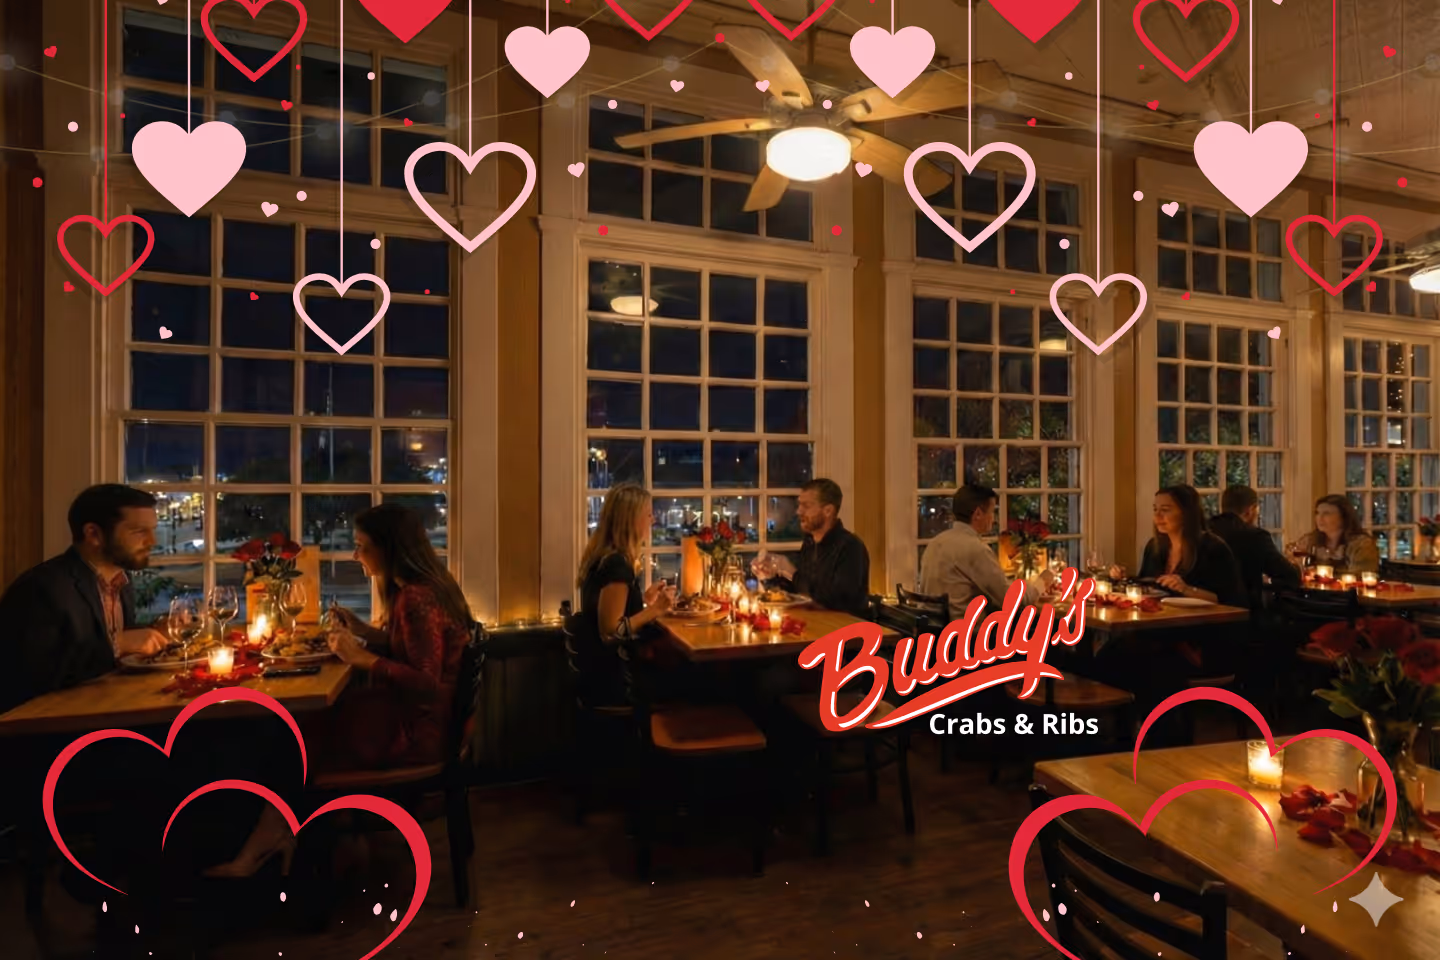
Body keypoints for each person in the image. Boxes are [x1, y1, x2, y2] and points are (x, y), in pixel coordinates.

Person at [206, 503, 473, 878]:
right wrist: (365, 632)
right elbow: (417, 651)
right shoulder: (426, 589)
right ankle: (293, 837)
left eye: (362, 546)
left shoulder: (417, 597)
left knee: (297, 739)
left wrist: (362, 658)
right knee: (303, 730)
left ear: (388, 548)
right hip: (423, 721)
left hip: (418, 733)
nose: (355, 554)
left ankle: (274, 845)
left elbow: (427, 684)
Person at [0, 484, 167, 714]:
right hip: (49, 728)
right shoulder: (41, 587)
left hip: (111, 709)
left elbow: (104, 650)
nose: (152, 541)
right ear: (93, 534)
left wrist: (155, 632)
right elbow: (30, 672)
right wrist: (118, 644)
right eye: (139, 532)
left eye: (152, 530)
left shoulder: (120, 580)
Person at [574, 483, 675, 708]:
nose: (653, 520)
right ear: (631, 520)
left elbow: (613, 613)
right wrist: (655, 610)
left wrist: (643, 600)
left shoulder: (602, 558)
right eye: (648, 514)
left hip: (602, 673)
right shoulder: (617, 565)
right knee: (697, 681)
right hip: (617, 681)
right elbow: (610, 633)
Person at [919, 484, 1055, 618]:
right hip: (970, 635)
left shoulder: (935, 542)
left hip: (935, 632)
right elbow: (1014, 601)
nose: (994, 519)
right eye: (992, 512)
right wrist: (1041, 583)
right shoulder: (975, 549)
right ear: (978, 514)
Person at [1109, 485, 1246, 607]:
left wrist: (1186, 589)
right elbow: (1147, 586)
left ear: (1186, 514)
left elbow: (1228, 600)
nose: (1157, 515)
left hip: (1199, 626)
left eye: (1165, 510)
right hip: (1159, 620)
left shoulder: (1213, 548)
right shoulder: (1154, 546)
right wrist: (1123, 579)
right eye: (1155, 509)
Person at [750, 479, 870, 618]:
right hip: (814, 626)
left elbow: (837, 600)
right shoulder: (809, 543)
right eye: (799, 505)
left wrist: (791, 573)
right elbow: (800, 591)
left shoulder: (851, 547)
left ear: (828, 511)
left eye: (806, 506)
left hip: (845, 633)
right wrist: (769, 577)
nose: (798, 511)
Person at [1207, 485, 1300, 607]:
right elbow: (1289, 575)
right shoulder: (1255, 536)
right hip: (1242, 611)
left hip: (1202, 606)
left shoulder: (1204, 529)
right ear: (1251, 510)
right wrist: (1296, 565)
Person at [1284, 494, 1380, 574]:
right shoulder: (1311, 540)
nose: (1319, 518)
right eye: (1317, 513)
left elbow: (1361, 576)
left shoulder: (1361, 545)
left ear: (1343, 517)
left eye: (1326, 514)